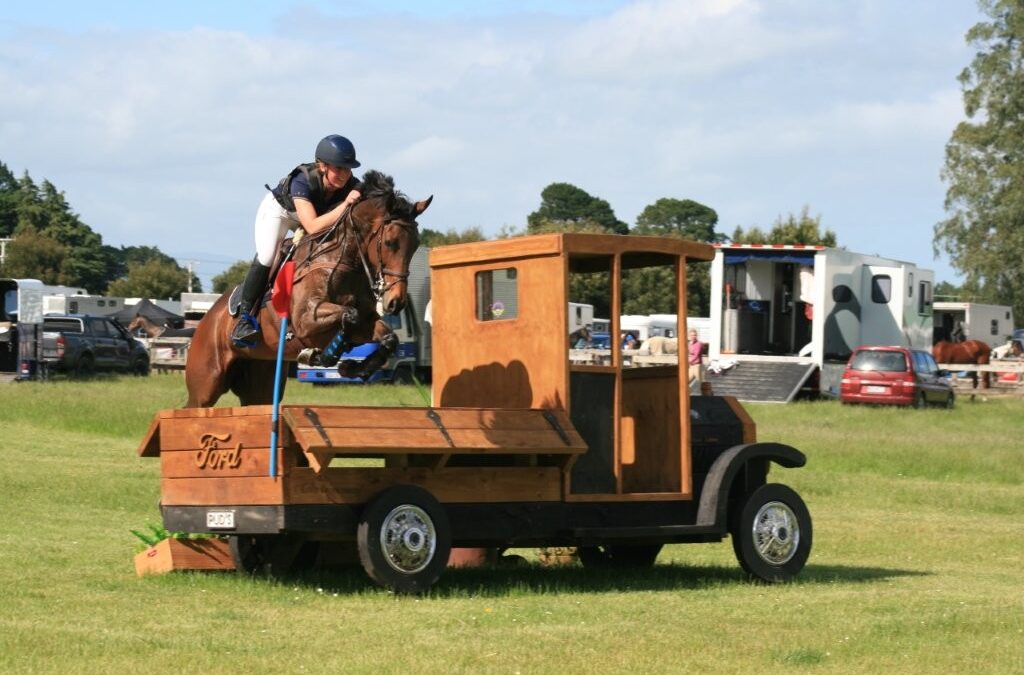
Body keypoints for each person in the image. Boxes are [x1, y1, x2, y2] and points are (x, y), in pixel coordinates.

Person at [231, 134, 364, 346]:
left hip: (310, 219)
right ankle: (244, 319)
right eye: (338, 168)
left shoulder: (352, 185)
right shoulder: (302, 180)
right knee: (268, 256)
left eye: (348, 169)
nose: (344, 174)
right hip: (280, 213)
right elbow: (312, 226)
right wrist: (346, 205)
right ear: (322, 166)